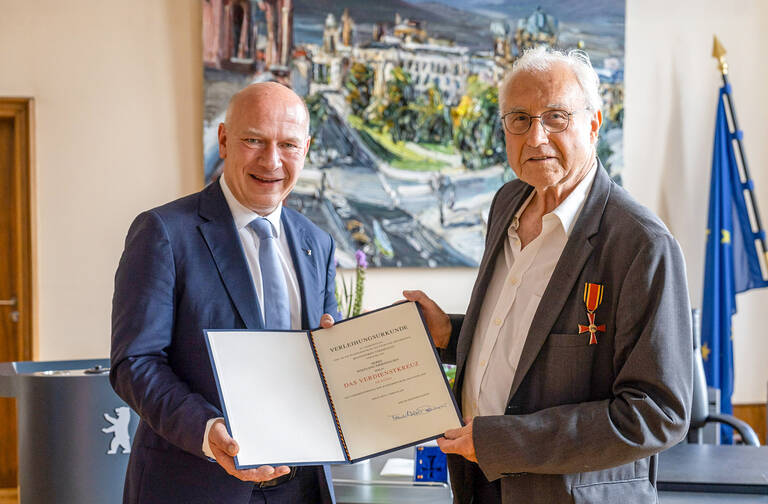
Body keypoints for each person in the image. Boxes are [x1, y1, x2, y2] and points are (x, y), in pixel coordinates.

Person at [404, 46, 693, 503]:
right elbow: (526, 343)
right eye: (519, 118)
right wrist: (450, 336)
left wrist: (503, 443)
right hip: (478, 486)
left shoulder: (640, 243)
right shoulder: (506, 204)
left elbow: (657, 413)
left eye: (556, 117)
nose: (535, 137)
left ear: (594, 124)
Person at [110, 82, 339, 504]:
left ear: (305, 148)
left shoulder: (317, 243)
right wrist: (208, 430)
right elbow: (135, 361)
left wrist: (340, 355)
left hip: (301, 488)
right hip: (194, 483)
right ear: (224, 141)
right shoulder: (163, 232)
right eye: (254, 140)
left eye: (288, 144)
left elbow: (328, 360)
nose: (271, 161)